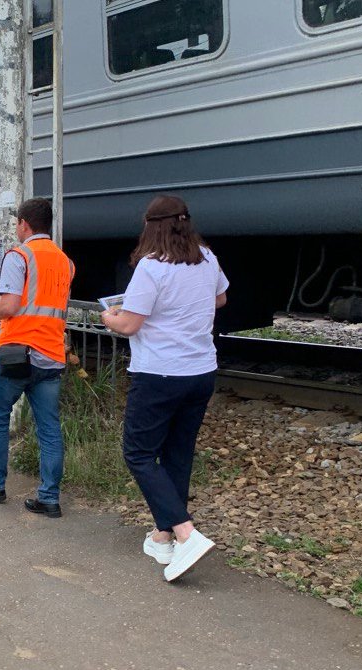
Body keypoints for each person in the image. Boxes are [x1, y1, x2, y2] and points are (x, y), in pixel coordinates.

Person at [100, 194, 228, 582]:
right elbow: (220, 298)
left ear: (151, 227)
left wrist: (109, 316)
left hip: (160, 374)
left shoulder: (151, 268)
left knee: (138, 453)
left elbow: (128, 325)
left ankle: (186, 534)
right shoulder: (207, 258)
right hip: (201, 371)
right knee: (177, 454)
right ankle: (162, 537)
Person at [0, 198, 74, 518]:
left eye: (17, 224)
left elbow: (9, 306)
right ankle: (49, 498)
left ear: (24, 224)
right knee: (49, 428)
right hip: (51, 356)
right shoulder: (65, 262)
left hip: (17, 353)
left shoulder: (20, 255)